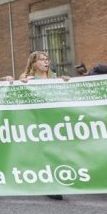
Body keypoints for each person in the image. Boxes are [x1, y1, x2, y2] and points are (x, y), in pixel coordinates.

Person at [19, 51, 68, 200]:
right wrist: (24, 83)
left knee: (55, 151)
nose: (46, 62)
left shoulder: (54, 78)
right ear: (34, 63)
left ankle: (55, 184)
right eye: (42, 60)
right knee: (41, 152)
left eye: (47, 59)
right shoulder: (26, 77)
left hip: (53, 120)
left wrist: (66, 81)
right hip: (36, 120)